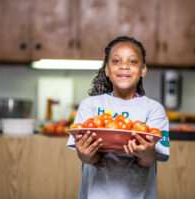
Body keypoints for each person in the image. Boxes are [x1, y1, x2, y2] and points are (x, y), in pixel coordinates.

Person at [67, 36, 169, 199]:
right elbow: (88, 158)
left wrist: (145, 152)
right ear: (106, 69)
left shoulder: (153, 109)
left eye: (133, 62)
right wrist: (85, 153)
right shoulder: (90, 105)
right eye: (116, 61)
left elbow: (149, 160)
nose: (124, 66)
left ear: (143, 70)